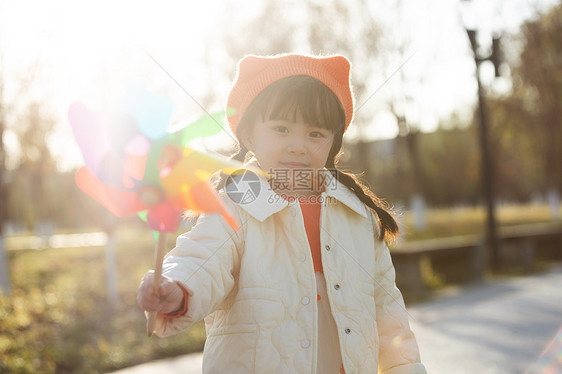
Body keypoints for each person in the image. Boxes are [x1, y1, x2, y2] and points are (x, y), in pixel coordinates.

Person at [137, 53, 426, 374]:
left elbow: (387, 309)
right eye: (281, 129)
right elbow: (203, 259)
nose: (298, 146)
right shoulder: (234, 203)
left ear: (333, 144)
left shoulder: (358, 214)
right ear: (249, 136)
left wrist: (405, 367)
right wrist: (178, 287)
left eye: (315, 134)